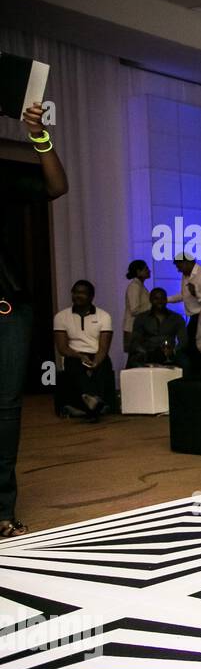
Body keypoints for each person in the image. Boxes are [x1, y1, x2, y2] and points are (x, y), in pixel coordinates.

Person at [1, 102, 68, 536]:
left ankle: (4, 509)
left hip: (8, 312)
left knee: (6, 410)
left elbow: (56, 186)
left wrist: (38, 135)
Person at [53, 280, 115, 422]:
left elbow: (104, 347)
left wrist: (96, 361)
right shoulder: (61, 316)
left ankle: (89, 405)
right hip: (73, 354)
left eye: (82, 293)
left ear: (91, 296)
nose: (77, 296)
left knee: (102, 365)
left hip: (97, 353)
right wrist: (80, 356)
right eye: (75, 292)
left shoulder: (104, 316)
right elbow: (62, 348)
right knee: (75, 366)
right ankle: (94, 403)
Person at [167, 252, 201, 357]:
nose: (179, 270)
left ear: (187, 263)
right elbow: (184, 295)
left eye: (179, 267)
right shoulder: (186, 275)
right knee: (190, 347)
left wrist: (196, 293)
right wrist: (166, 300)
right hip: (194, 317)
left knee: (196, 349)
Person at [127, 287, 186, 367]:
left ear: (166, 300)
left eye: (163, 298)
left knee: (185, 361)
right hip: (147, 354)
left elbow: (183, 341)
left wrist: (174, 351)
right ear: (150, 300)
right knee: (133, 360)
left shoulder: (176, 318)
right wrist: (143, 352)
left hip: (169, 354)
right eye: (156, 298)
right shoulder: (141, 318)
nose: (160, 301)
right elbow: (135, 341)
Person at [122, 259, 151, 356]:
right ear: (138, 272)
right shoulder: (134, 286)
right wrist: (152, 308)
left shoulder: (140, 285)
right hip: (133, 329)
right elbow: (134, 310)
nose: (149, 271)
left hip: (137, 328)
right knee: (135, 357)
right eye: (146, 269)